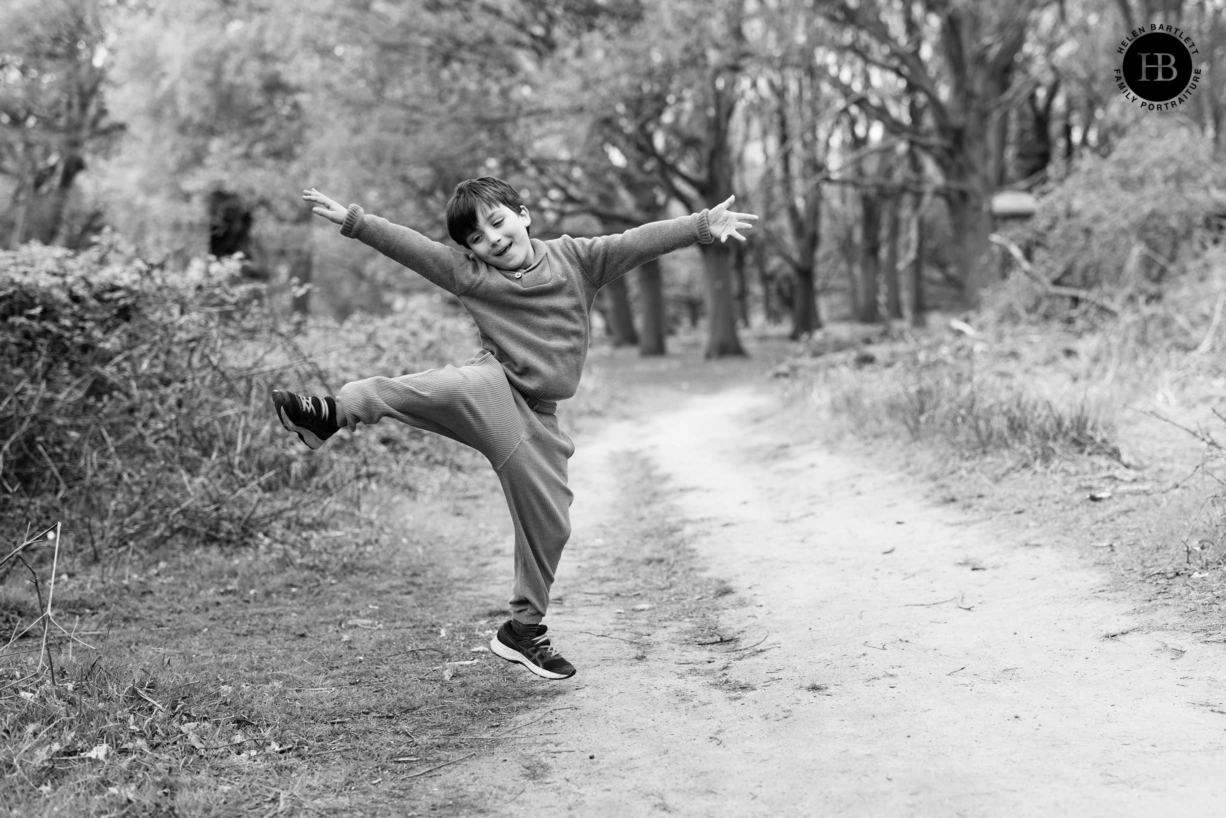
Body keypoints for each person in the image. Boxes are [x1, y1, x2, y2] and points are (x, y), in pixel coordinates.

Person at [272, 177, 756, 680]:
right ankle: (333, 412)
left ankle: (522, 631)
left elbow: (636, 241)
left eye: (498, 222)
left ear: (523, 215)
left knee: (552, 520)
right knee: (467, 383)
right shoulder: (472, 275)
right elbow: (415, 249)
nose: (493, 239)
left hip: (538, 415)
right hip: (492, 384)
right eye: (477, 238)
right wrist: (356, 222)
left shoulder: (578, 259)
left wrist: (700, 225)